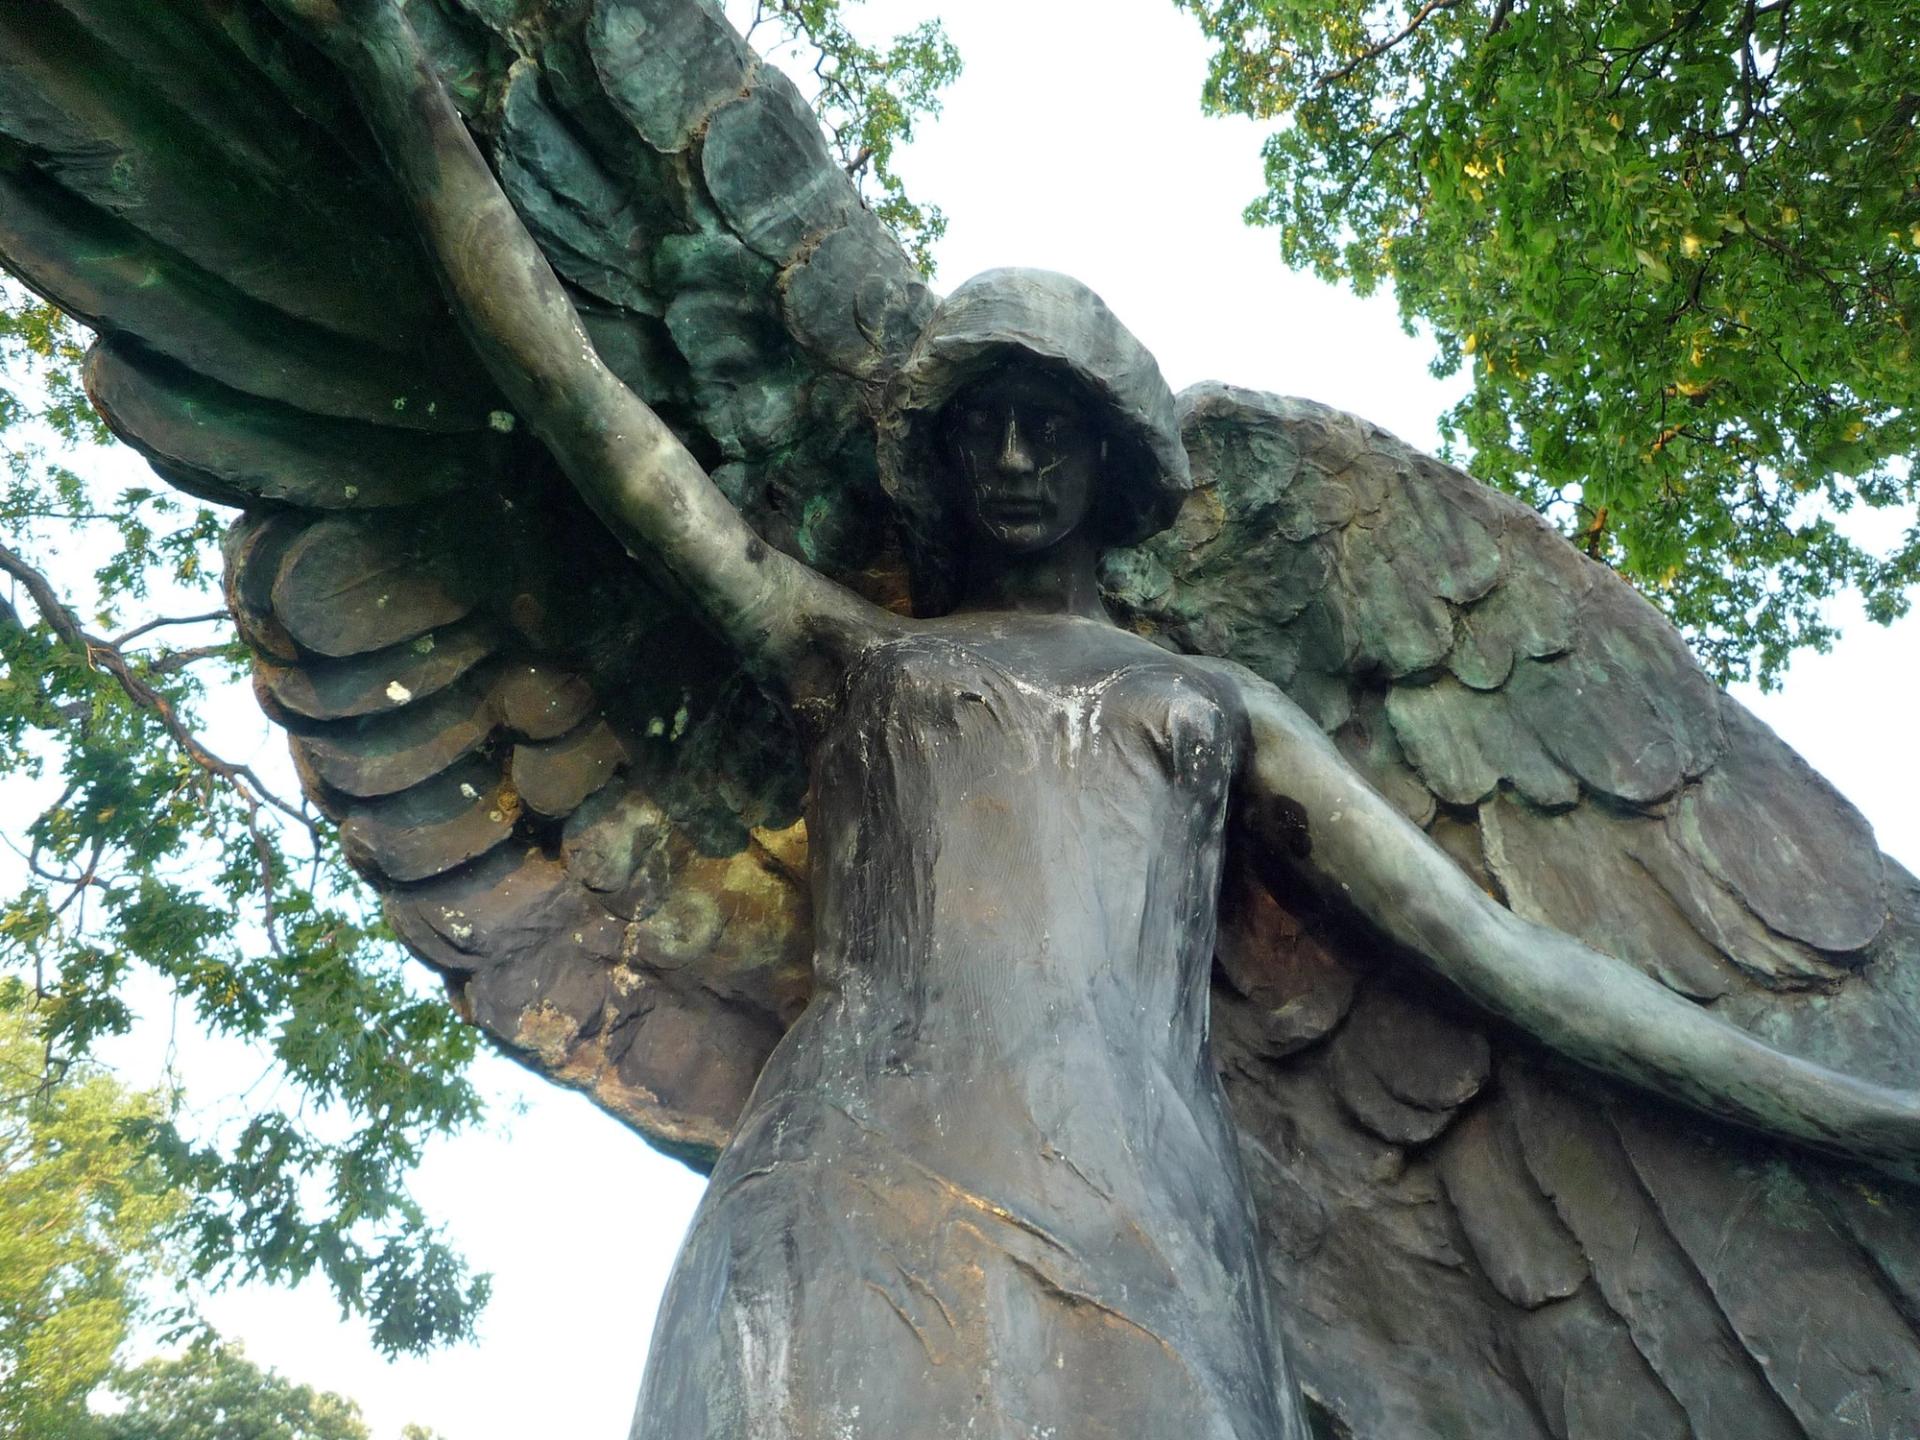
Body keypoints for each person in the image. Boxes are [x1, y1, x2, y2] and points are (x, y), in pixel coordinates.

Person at [270, 4, 1920, 1435]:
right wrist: (395, 77)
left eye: (1048, 424)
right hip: (837, 1194)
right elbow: (585, 409)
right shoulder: (854, 660)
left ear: (1115, 459)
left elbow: (1518, 969)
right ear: (937, 450)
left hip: (1141, 1213)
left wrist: (1862, 1120)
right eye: (982, 420)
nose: (1011, 460)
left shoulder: (1207, 711)